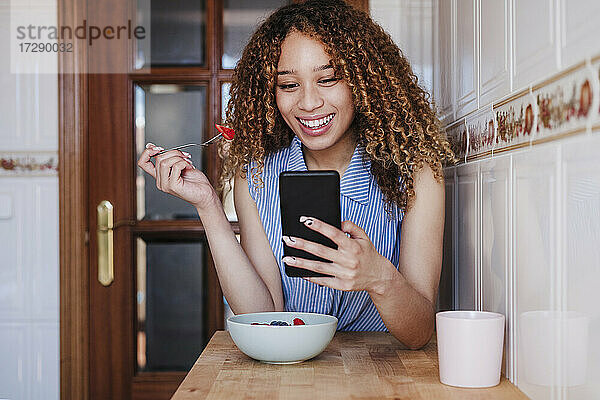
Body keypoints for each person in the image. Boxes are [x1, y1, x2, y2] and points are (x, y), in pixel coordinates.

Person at [137, 0, 454, 349]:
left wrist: (378, 278)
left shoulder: (416, 172)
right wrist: (208, 206)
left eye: (328, 79)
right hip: (288, 372)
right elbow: (263, 313)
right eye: (288, 85)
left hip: (380, 373)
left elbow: (420, 331)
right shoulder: (255, 174)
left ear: (364, 82)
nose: (308, 102)